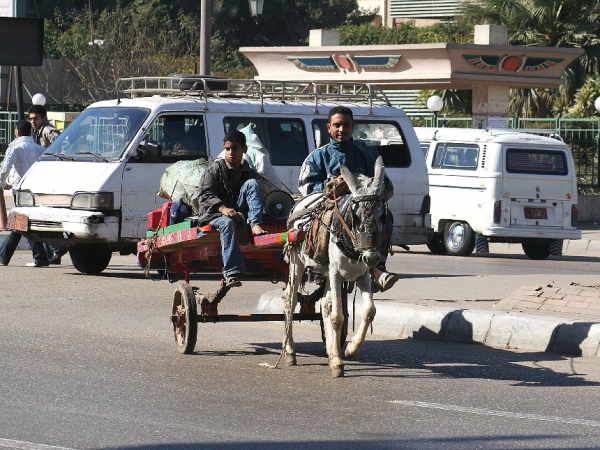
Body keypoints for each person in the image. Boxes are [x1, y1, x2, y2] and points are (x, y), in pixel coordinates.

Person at [298, 105, 399, 292]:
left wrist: (372, 184)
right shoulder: (317, 157)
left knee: (387, 215)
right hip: (329, 210)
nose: (341, 129)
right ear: (329, 127)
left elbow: (388, 188)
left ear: (353, 127)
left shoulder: (365, 157)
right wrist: (332, 186)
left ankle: (378, 267)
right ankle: (319, 260)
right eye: (337, 125)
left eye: (346, 125)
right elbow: (306, 187)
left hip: (360, 213)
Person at [194, 130, 267, 288]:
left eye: (235, 148)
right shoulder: (214, 170)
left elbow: (252, 195)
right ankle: (232, 272)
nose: (231, 152)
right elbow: (205, 195)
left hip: (236, 211)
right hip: (213, 214)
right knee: (227, 224)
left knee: (253, 184)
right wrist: (221, 208)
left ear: (244, 150)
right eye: (228, 149)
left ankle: (255, 224)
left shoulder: (248, 172)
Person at [0, 120, 49, 267]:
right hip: (36, 192)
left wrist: (2, 183)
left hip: (20, 191)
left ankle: (45, 254)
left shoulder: (16, 148)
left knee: (21, 224)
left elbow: (4, 168)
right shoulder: (40, 148)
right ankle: (41, 256)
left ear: (17, 132)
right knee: (23, 223)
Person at [28, 104, 67, 264]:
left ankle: (57, 249)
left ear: (43, 118)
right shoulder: (37, 131)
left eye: (36, 118)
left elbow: (62, 147)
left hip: (52, 178)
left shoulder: (48, 131)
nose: (33, 121)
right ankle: (56, 251)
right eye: (30, 119)